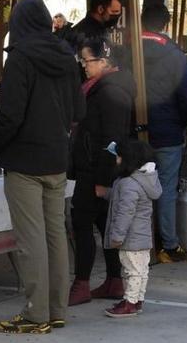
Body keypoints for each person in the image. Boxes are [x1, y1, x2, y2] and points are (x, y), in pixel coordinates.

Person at [0, 0, 85, 334]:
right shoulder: (67, 56)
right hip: (57, 157)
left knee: (31, 240)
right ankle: (56, 309)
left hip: (25, 160)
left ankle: (35, 313)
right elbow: (78, 112)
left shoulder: (20, 59)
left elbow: (10, 115)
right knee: (56, 235)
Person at [69, 38, 136, 306]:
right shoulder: (98, 88)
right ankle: (113, 281)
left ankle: (82, 283)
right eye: (82, 61)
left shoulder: (111, 92)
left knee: (82, 225)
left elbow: (112, 139)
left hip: (97, 171)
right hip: (92, 167)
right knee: (103, 225)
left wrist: (103, 179)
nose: (84, 66)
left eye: (87, 61)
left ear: (104, 62)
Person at [141, 4, 187, 263]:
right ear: (166, 25)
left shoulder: (127, 52)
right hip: (167, 132)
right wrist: (181, 122)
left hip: (136, 133)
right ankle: (168, 245)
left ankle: (139, 244)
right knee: (166, 188)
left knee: (136, 187)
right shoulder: (174, 55)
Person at [103, 139, 162, 318]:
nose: (117, 160)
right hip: (143, 237)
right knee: (141, 271)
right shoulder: (146, 180)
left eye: (119, 156)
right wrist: (108, 193)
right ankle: (137, 301)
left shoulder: (128, 183)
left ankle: (129, 303)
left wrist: (116, 237)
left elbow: (124, 213)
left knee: (132, 272)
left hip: (131, 239)